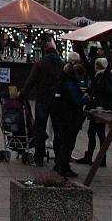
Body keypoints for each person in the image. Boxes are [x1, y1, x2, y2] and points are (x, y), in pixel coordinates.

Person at [20, 38, 63, 167]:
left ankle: (39, 157)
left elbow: (31, 81)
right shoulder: (62, 64)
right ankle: (59, 159)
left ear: (45, 51)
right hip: (57, 100)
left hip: (43, 100)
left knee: (40, 128)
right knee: (58, 130)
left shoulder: (40, 64)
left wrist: (22, 94)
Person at [75, 57, 112, 167]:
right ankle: (99, 158)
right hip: (104, 106)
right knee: (98, 133)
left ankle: (94, 157)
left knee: (95, 133)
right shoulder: (110, 76)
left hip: (97, 106)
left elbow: (96, 90)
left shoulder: (100, 76)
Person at [50, 62, 89, 178]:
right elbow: (76, 101)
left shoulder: (63, 81)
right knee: (67, 143)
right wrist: (86, 99)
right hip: (69, 117)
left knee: (61, 141)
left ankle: (59, 165)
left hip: (61, 116)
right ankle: (63, 167)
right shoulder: (70, 83)